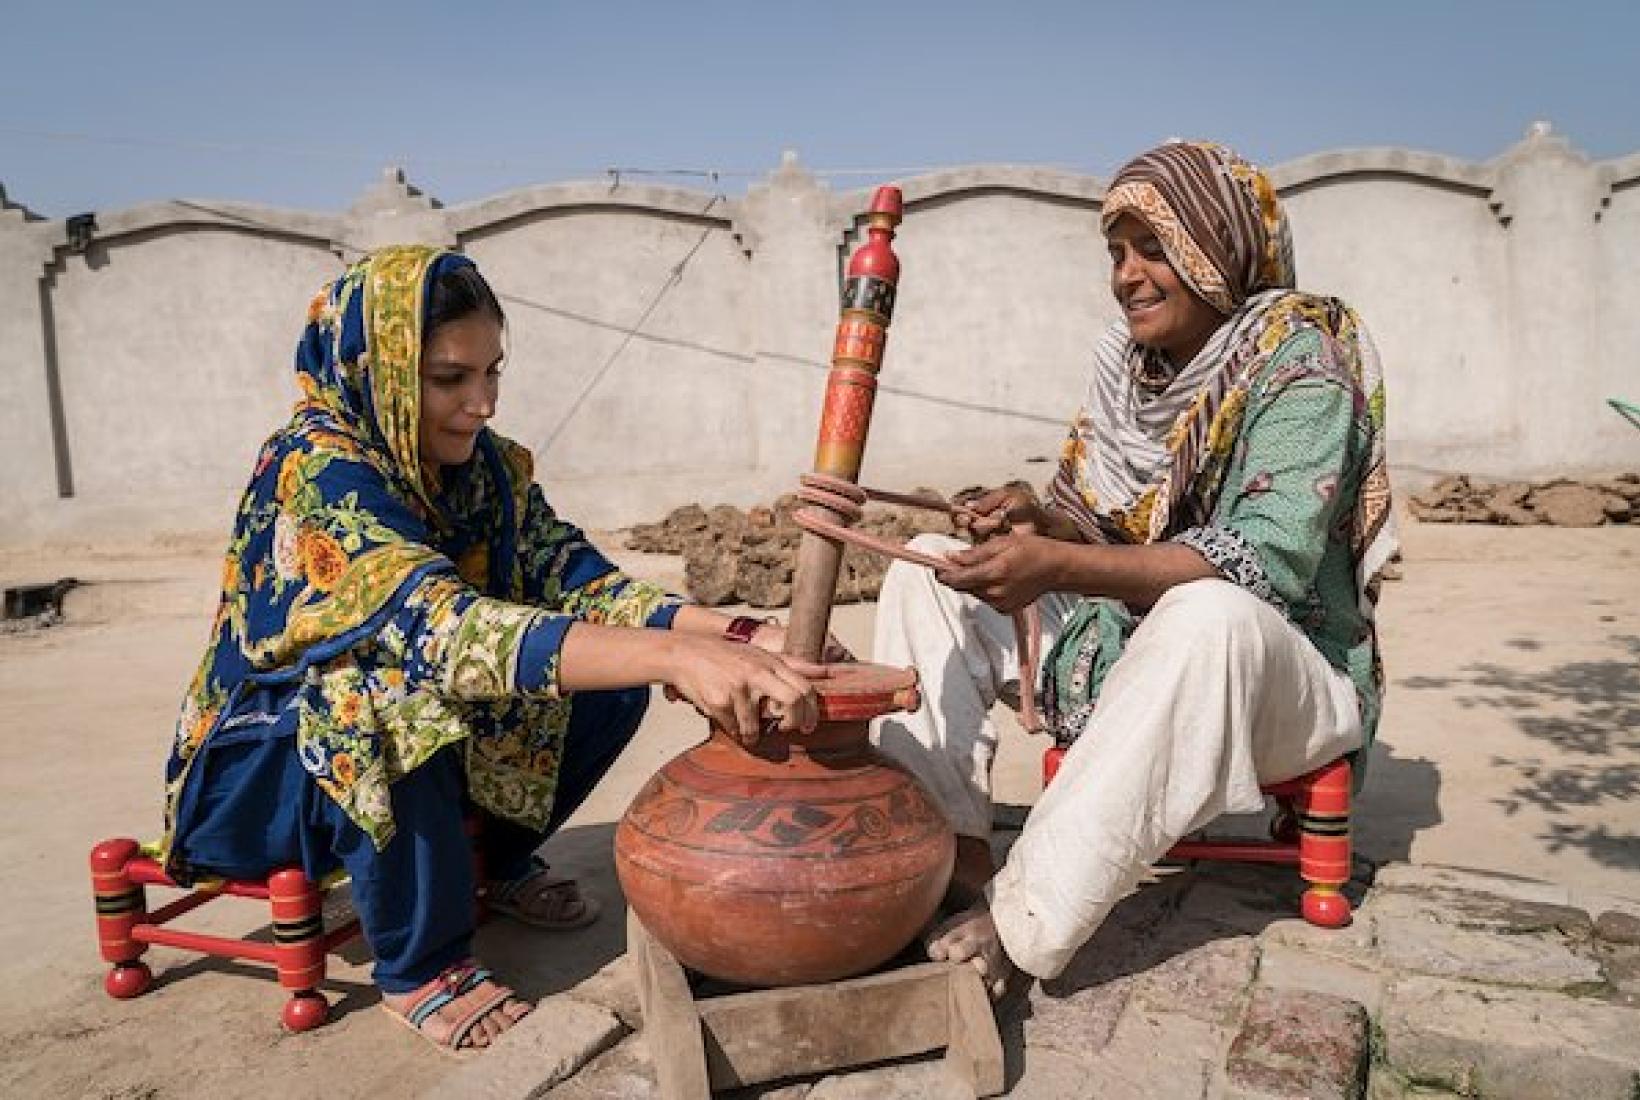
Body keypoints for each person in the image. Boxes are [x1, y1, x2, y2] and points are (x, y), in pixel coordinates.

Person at [160, 245, 827, 1053]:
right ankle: (419, 966)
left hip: (366, 746)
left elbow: (575, 577)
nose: (481, 403)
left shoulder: (484, 471)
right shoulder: (318, 469)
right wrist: (675, 660)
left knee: (605, 674)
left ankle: (491, 861)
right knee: (382, 690)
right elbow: (438, 631)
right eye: (450, 379)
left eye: (493, 373)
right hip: (265, 770)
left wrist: (728, 634)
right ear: (376, 370)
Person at [871, 142, 1399, 995]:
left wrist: (1055, 561)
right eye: (1116, 252)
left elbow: (1262, 563)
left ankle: (1020, 920)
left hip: (1282, 676)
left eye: (1153, 247)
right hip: (1126, 648)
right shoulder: (1128, 371)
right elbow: (1091, 522)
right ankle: (951, 855)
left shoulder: (1304, 364)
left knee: (1208, 610)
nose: (1127, 275)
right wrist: (1031, 519)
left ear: (1216, 244)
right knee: (930, 565)